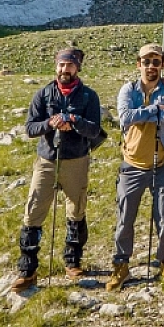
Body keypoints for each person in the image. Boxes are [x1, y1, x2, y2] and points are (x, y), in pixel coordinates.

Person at [11, 46, 105, 290]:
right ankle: (27, 269)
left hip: (76, 159)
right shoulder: (43, 94)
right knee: (34, 210)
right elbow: (30, 128)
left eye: (70, 64)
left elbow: (95, 130)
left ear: (78, 67)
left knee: (76, 209)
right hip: (47, 160)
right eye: (61, 64)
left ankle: (73, 262)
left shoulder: (89, 96)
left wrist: (74, 122)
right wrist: (50, 124)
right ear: (56, 66)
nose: (65, 69)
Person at [107, 43, 164, 291]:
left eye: (156, 61)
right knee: (125, 217)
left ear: (162, 63)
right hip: (133, 164)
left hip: (163, 162)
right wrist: (152, 110)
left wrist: (143, 114)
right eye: (146, 61)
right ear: (138, 64)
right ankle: (121, 264)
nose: (151, 66)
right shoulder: (127, 89)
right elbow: (125, 117)